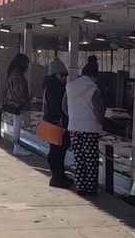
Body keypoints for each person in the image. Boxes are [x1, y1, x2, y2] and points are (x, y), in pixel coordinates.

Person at [63, 58, 105, 195]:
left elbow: (64, 106)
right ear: (93, 77)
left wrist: (74, 116)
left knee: (78, 158)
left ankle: (80, 186)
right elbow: (99, 111)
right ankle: (91, 188)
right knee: (91, 160)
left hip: (74, 127)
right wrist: (102, 122)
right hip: (90, 128)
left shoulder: (70, 86)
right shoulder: (93, 89)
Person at [41, 58, 71, 188]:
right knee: (56, 150)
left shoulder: (57, 87)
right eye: (62, 75)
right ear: (54, 75)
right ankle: (56, 176)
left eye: (66, 75)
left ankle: (60, 175)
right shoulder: (53, 89)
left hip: (59, 122)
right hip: (56, 123)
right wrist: (66, 115)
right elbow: (56, 107)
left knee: (61, 149)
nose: (65, 78)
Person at [3, 53, 33, 157]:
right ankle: (17, 145)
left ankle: (17, 145)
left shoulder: (12, 73)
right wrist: (27, 102)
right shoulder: (18, 75)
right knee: (17, 124)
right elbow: (20, 91)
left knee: (16, 123)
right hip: (19, 104)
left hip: (13, 102)